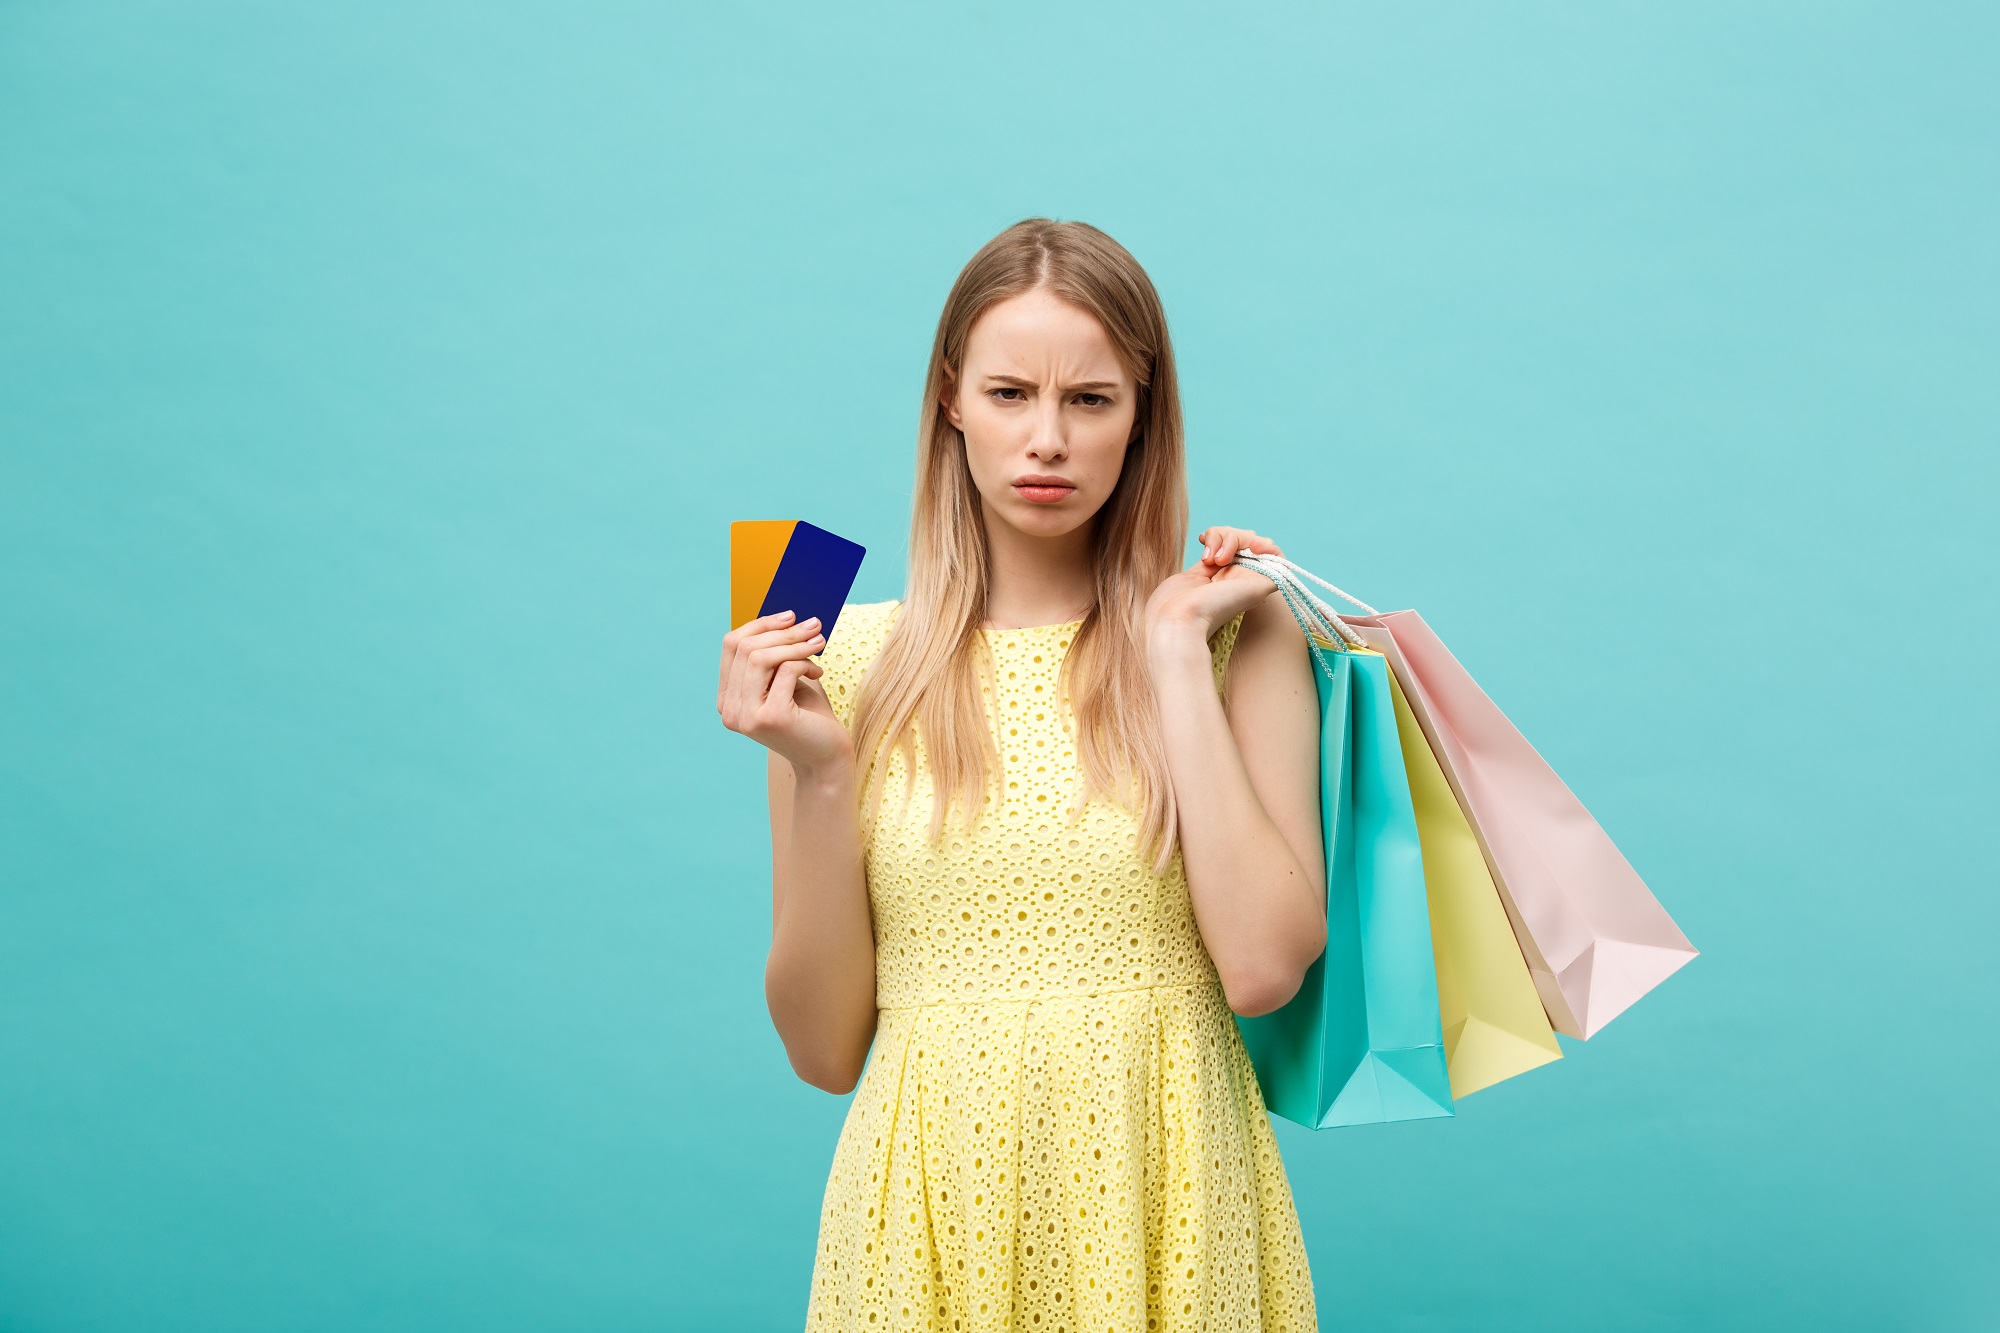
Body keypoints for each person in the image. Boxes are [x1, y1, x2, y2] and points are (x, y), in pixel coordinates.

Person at [717, 218, 1325, 1331]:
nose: (1045, 438)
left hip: (1168, 1201)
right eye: (1008, 394)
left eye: (1089, 399)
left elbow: (1261, 969)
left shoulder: (1238, 636)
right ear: (949, 400)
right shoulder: (835, 659)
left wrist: (1172, 658)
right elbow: (819, 1052)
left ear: (1143, 413)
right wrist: (816, 775)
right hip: (924, 1219)